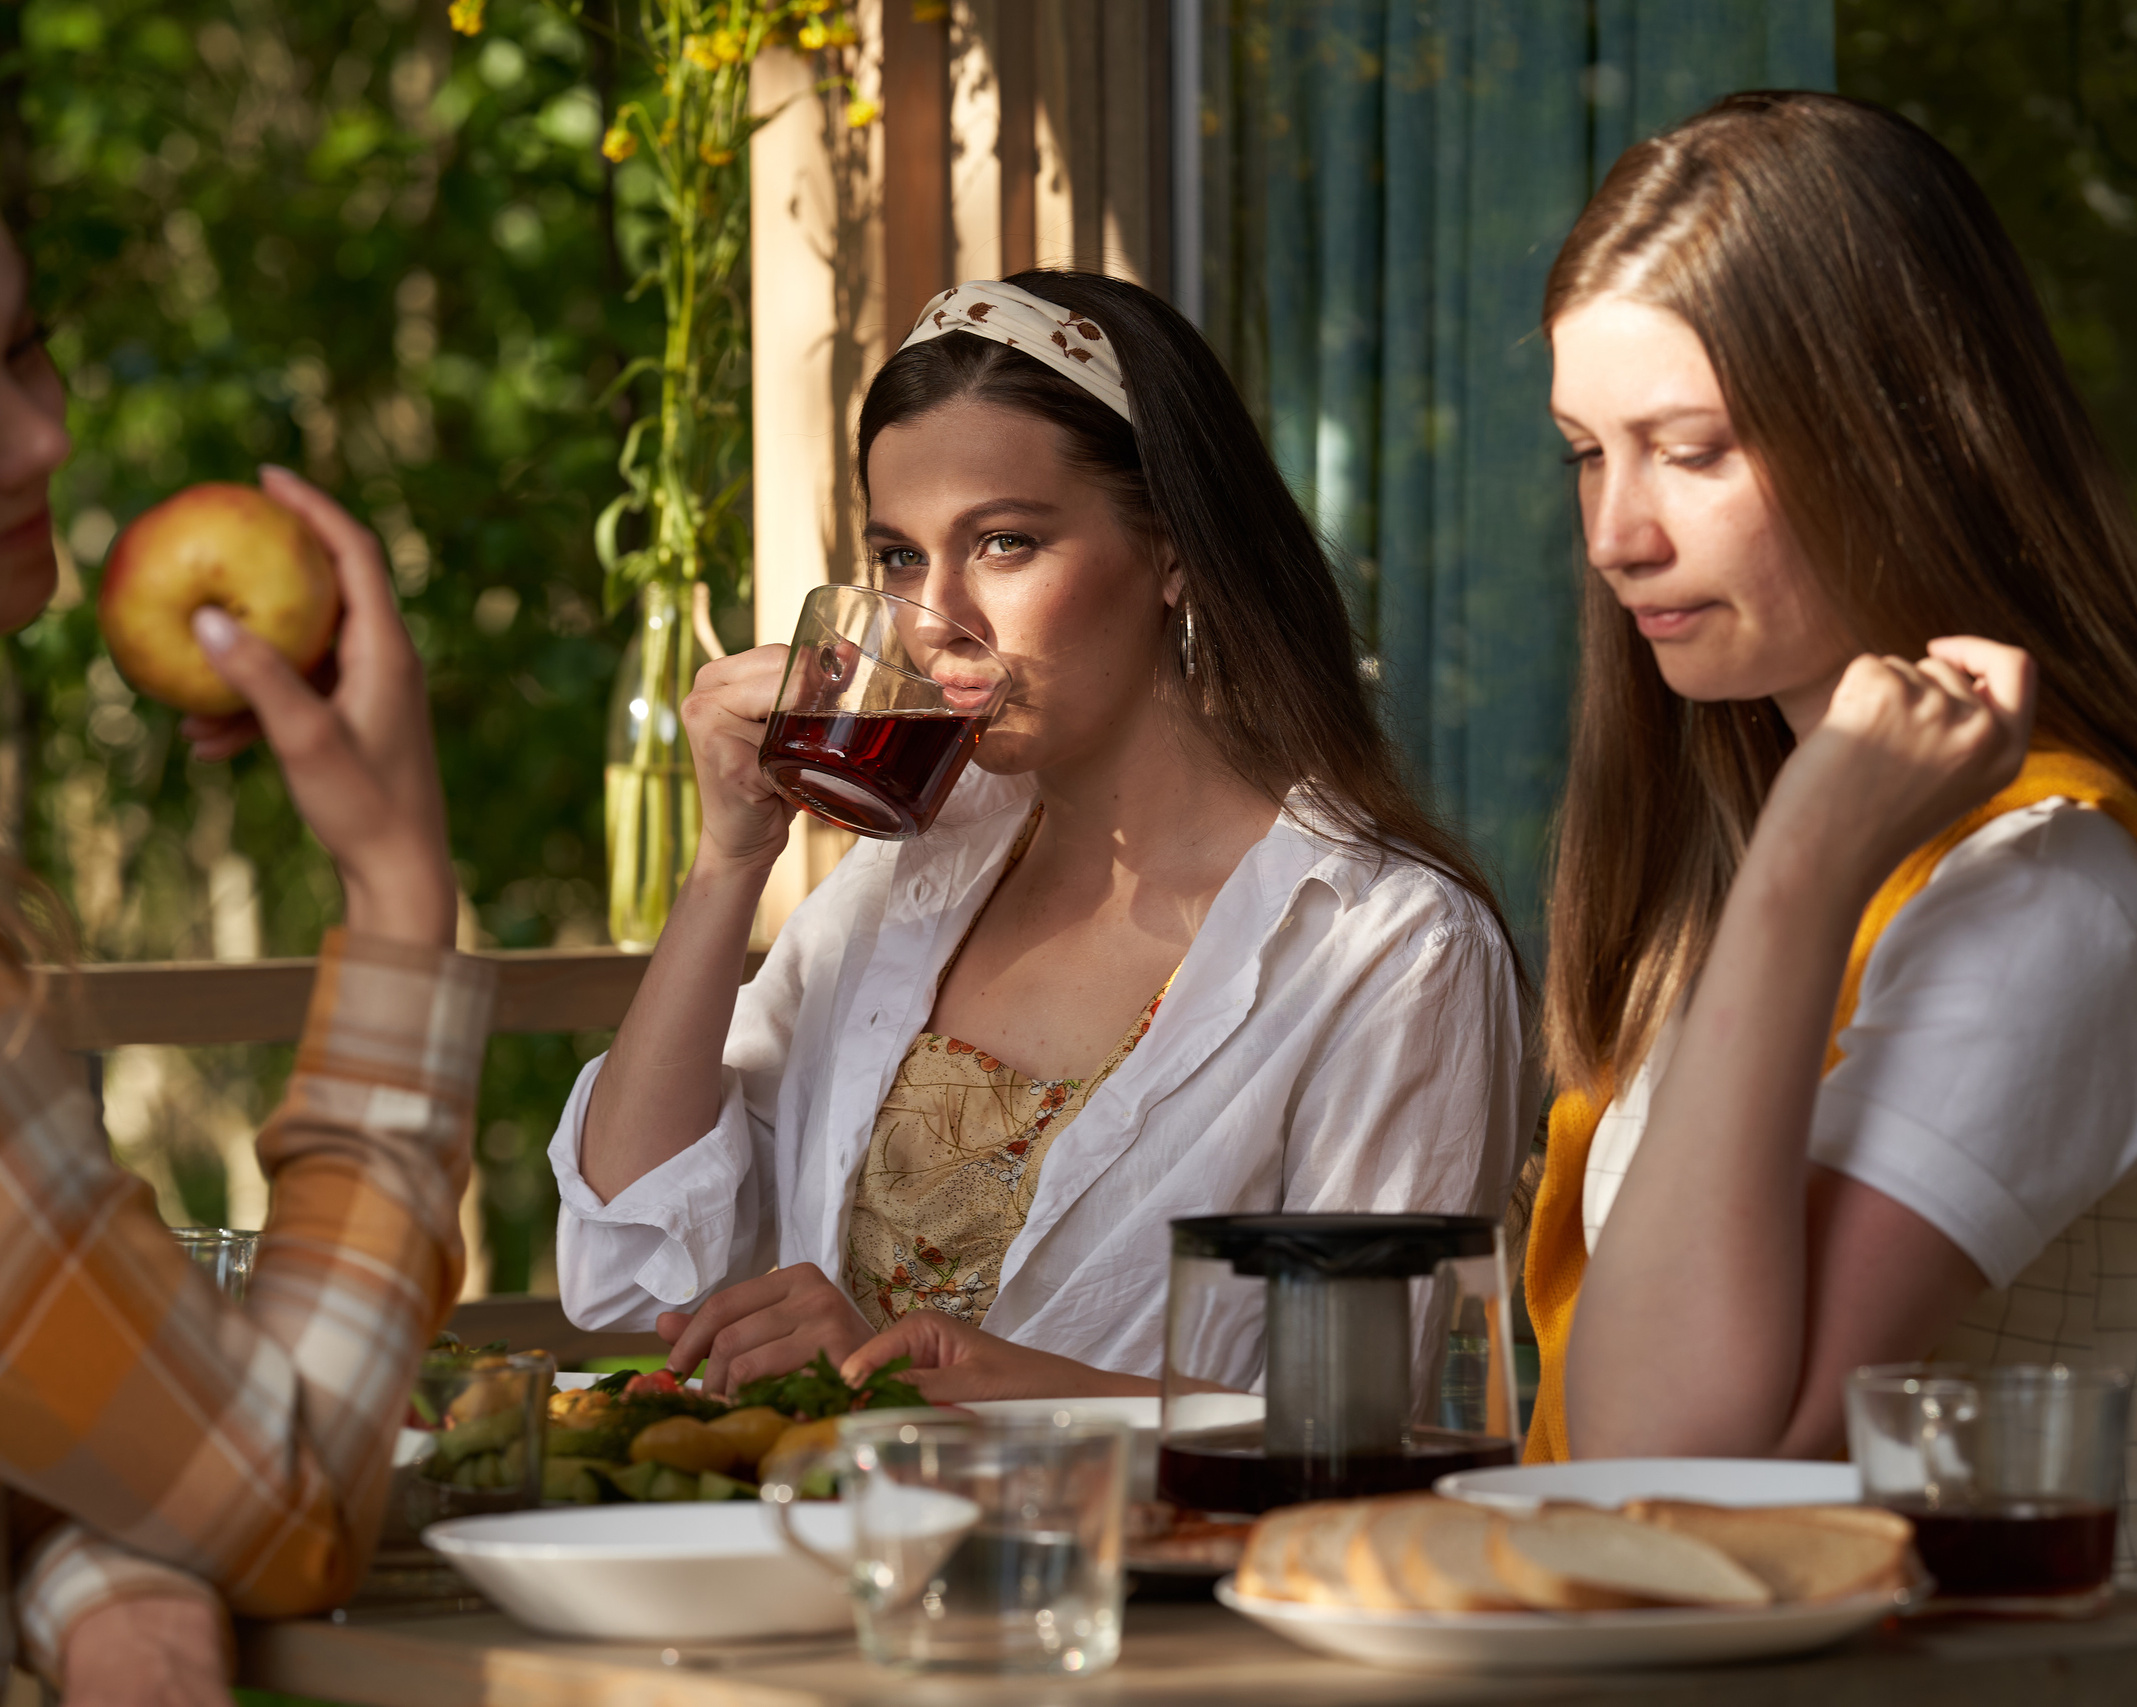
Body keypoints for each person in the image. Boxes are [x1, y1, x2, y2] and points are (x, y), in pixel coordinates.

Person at [0, 4, 489, 1699]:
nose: (43, 438)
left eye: (25, 344)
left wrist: (96, 1569)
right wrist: (402, 896)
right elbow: (282, 1491)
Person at [552, 271, 1530, 1402]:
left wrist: (945, 1384)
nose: (941, 619)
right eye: (901, 557)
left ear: (1173, 553)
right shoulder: (907, 879)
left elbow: (1352, 1426)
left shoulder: (1386, 947)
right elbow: (629, 1272)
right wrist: (728, 864)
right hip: (832, 1572)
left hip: (1145, 1583)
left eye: (1005, 543)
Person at [1526, 90, 2137, 1597]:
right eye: (1587, 453)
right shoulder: (1771, 855)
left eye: (1693, 448)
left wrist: (1802, 861)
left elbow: (1674, 1470)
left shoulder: (2051, 890)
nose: (1617, 533)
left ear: (1899, 429)